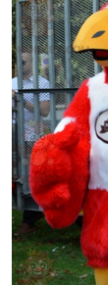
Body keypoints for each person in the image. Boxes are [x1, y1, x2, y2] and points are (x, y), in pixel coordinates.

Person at [11, 51, 50, 235]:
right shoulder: (11, 82)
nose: (20, 63)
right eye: (18, 60)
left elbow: (44, 111)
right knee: (17, 176)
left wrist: (20, 100)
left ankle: (30, 219)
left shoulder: (41, 83)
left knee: (30, 177)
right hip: (13, 135)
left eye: (24, 60)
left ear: (32, 63)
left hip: (31, 136)